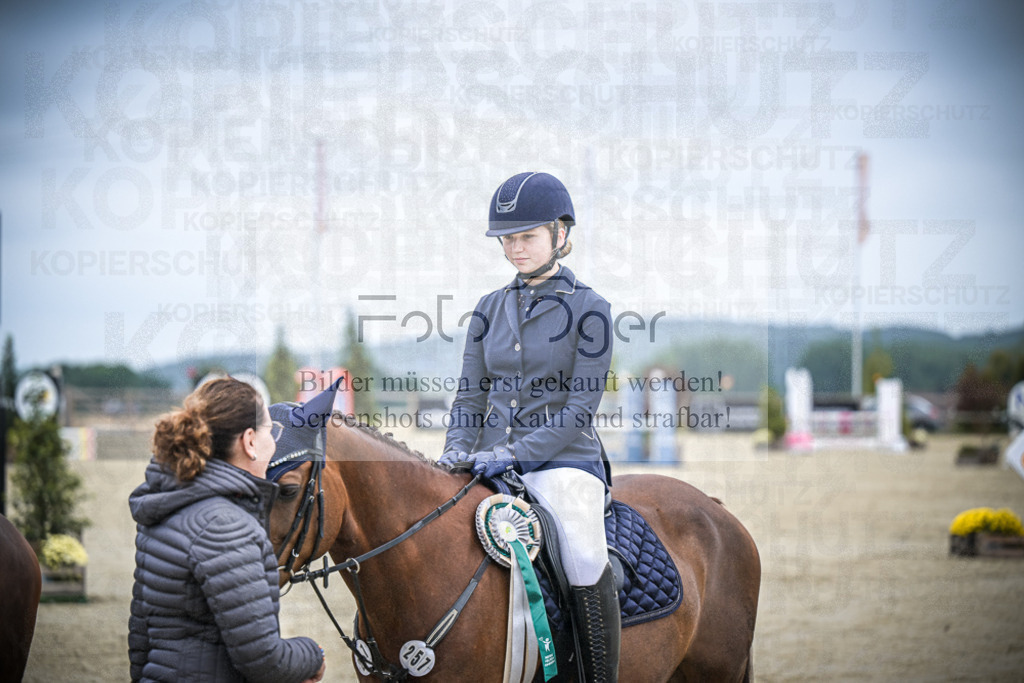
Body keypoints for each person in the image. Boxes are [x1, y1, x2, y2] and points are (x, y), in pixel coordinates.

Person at [440, 171, 619, 682]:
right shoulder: (488, 309)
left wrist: (515, 454)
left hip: (565, 462)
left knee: (584, 552)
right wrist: (455, 448)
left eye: (528, 236)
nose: (514, 248)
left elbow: (579, 410)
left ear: (561, 234)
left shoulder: (591, 309)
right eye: (508, 238)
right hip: (486, 459)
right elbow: (470, 396)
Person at [128, 377, 326, 683]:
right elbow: (264, 661)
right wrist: (312, 653)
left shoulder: (166, 507)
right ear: (249, 442)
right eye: (270, 431)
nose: (273, 443)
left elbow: (140, 641)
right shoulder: (227, 527)